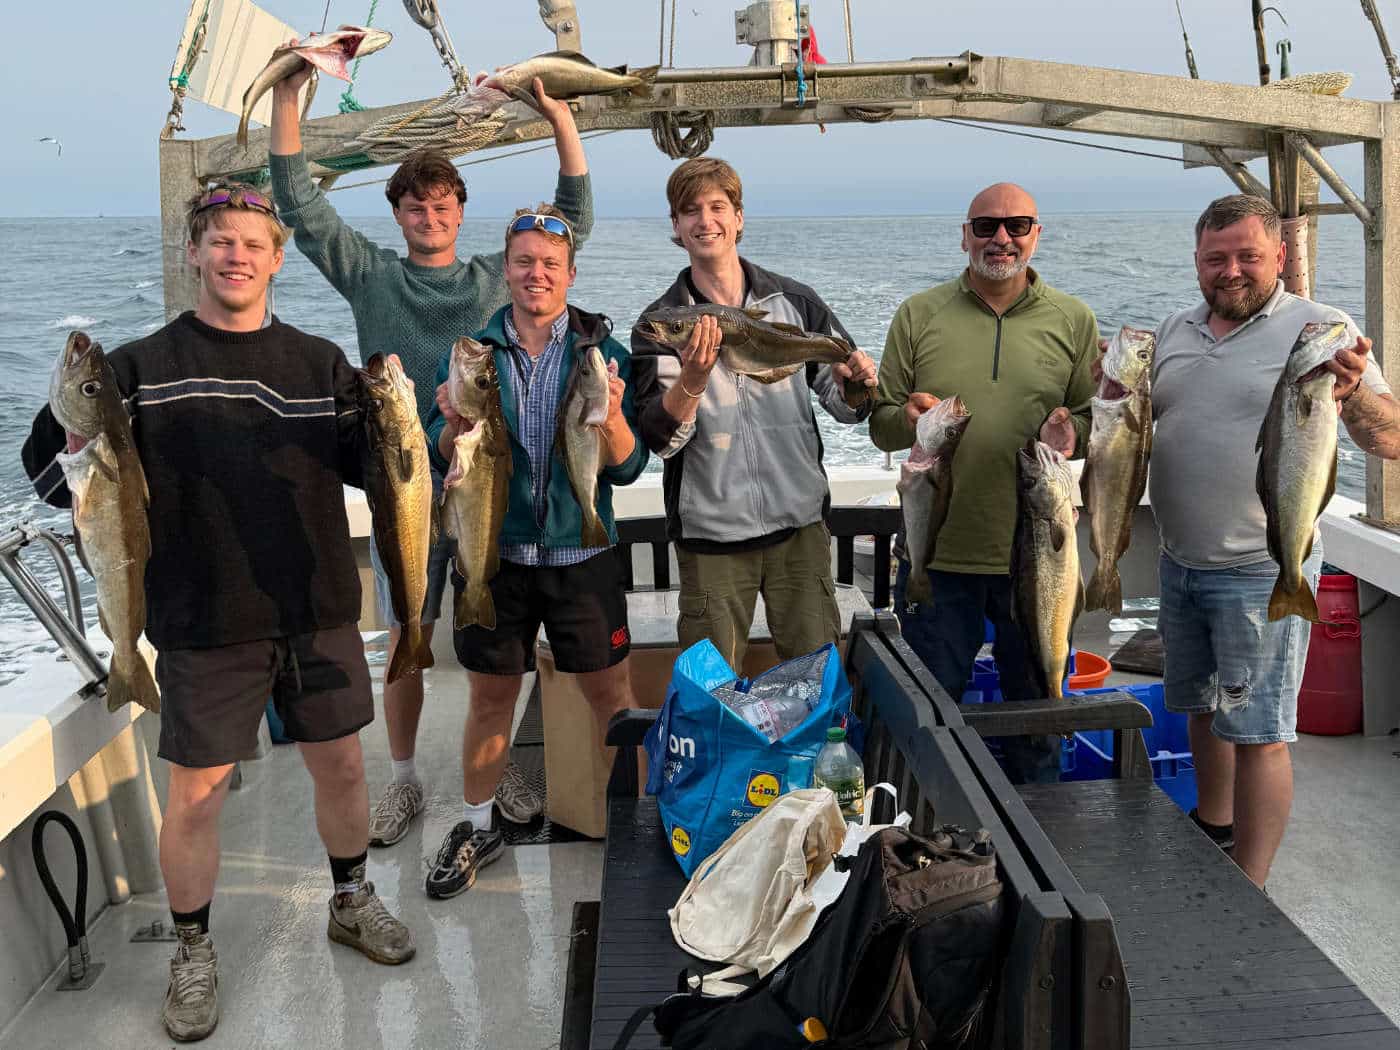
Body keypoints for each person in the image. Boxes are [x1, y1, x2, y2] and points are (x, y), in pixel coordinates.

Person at [22, 185, 414, 1042]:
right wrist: (69, 430)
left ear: (277, 259)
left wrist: (430, 429)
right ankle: (193, 950)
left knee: (345, 770)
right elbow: (54, 485)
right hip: (200, 617)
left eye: (253, 244)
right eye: (221, 241)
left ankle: (351, 898)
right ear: (193, 252)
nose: (237, 256)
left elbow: (381, 469)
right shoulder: (136, 367)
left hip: (315, 607)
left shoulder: (319, 362)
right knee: (195, 800)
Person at [268, 60, 594, 845]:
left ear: (459, 211)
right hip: (400, 489)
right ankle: (406, 777)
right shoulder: (370, 277)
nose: (429, 217)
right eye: (415, 206)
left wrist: (560, 121)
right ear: (398, 214)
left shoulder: (493, 279)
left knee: (494, 649)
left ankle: (495, 764)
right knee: (407, 637)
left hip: (488, 490)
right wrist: (286, 101)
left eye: (442, 205)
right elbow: (301, 207)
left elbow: (571, 223)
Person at [1146, 193, 1400, 888]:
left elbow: (1389, 438)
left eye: (1247, 256)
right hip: (1179, 560)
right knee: (1200, 710)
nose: (1231, 270)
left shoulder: (1324, 329)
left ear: (1280, 256)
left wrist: (1354, 392)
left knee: (1259, 732)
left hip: (1263, 568)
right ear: (1196, 262)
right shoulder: (1172, 329)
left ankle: (1250, 884)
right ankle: (1213, 829)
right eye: (1215, 258)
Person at [421, 205, 647, 899]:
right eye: (524, 261)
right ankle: (476, 825)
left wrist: (612, 417)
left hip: (583, 558)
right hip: (496, 556)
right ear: (507, 270)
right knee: (491, 700)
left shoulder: (603, 354)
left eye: (550, 263)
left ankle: (636, 826)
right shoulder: (475, 353)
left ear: (570, 273)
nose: (536, 273)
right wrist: (449, 425)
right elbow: (440, 449)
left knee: (613, 701)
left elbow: (627, 467)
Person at [870, 182, 1097, 784]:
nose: (1002, 238)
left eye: (1017, 225)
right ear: (964, 235)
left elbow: (1093, 420)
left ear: (1036, 234)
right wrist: (908, 419)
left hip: (1040, 560)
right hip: (938, 560)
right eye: (986, 225)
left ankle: (1038, 826)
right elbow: (881, 424)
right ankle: (928, 828)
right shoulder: (918, 314)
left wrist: (1071, 429)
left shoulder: (1073, 319)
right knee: (927, 717)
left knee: (1038, 719)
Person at [629, 157, 878, 672]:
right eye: (690, 210)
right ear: (676, 225)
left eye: (717, 207)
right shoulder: (659, 324)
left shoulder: (797, 302)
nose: (705, 220)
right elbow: (662, 440)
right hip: (711, 540)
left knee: (815, 678)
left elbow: (847, 406)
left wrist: (855, 384)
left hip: (799, 527)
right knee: (711, 690)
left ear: (738, 217)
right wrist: (693, 379)